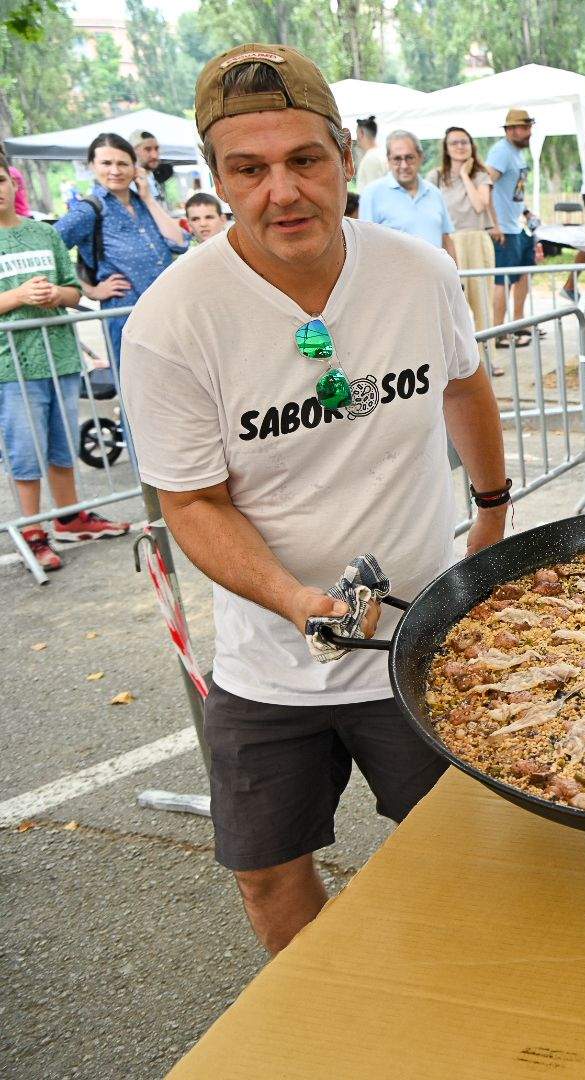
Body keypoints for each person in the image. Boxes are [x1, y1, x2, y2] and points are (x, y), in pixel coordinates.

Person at [120, 43, 507, 956]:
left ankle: (466, 997)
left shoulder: (419, 273)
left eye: (304, 159)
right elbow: (193, 504)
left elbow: (463, 382)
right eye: (248, 170)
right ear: (216, 178)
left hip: (423, 642)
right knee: (266, 871)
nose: (282, 192)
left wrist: (492, 512)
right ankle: (331, 1014)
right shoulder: (172, 322)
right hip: (269, 662)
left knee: (466, 854)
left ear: (345, 154)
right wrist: (295, 600)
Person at [0, 157, 129, 572]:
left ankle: (70, 517)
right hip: (12, 367)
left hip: (60, 356)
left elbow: (74, 291)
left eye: (0, 180)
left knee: (61, 445)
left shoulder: (43, 233)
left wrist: (56, 294)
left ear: (13, 183)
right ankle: (33, 530)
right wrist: (18, 297)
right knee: (25, 452)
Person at [54, 133, 188, 366]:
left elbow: (180, 243)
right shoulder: (88, 209)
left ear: (135, 167)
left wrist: (148, 198)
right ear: (92, 166)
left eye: (123, 163)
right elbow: (47, 247)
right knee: (135, 384)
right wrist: (90, 290)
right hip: (127, 320)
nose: (115, 170)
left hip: (168, 316)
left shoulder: (143, 202)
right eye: (106, 163)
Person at [429, 126, 499, 332]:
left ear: (471, 146)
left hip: (476, 240)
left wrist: (464, 175)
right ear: (446, 148)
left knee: (482, 304)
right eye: (454, 143)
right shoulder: (436, 176)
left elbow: (480, 205)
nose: (460, 146)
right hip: (449, 241)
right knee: (452, 304)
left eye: (464, 142)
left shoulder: (480, 175)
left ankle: (487, 351)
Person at [359, 131, 454, 261]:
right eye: (397, 159)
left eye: (409, 158)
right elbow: (365, 244)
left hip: (435, 273)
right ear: (388, 160)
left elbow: (446, 239)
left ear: (420, 157)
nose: (404, 165)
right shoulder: (372, 193)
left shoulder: (434, 192)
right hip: (393, 273)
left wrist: (455, 273)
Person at [486, 108, 535, 338]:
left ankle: (518, 322)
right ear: (510, 130)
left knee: (524, 273)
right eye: (524, 127)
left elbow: (515, 189)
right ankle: (498, 331)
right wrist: (492, 223)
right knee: (503, 280)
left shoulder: (517, 153)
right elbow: (485, 185)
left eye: (529, 127)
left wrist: (526, 211)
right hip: (503, 227)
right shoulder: (501, 152)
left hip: (518, 224)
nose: (529, 132)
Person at [353, 115, 387, 188]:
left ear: (361, 133)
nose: (356, 138)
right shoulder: (382, 154)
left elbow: (374, 191)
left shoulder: (371, 159)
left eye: (357, 133)